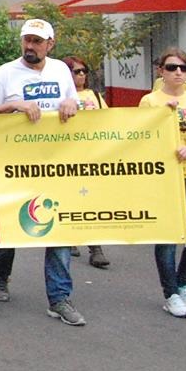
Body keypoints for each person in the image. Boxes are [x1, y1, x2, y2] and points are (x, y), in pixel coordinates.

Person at [0, 18, 84, 326]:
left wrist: (69, 105)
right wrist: (13, 106)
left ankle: (59, 298)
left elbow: (74, 106)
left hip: (54, 164)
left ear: (50, 44)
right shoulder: (6, 73)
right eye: (27, 40)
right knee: (10, 225)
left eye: (37, 41)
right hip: (13, 165)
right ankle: (0, 272)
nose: (30, 46)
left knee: (59, 228)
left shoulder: (61, 71)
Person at [139, 48, 186, 318]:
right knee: (169, 236)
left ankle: (184, 283)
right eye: (172, 68)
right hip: (163, 176)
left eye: (183, 68)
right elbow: (139, 140)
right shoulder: (150, 101)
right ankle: (170, 293)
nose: (178, 72)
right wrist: (162, 114)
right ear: (161, 71)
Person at [60, 56, 111, 269]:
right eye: (76, 71)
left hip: (91, 156)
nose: (81, 75)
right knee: (70, 199)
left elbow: (109, 121)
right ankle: (70, 238)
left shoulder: (95, 96)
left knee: (91, 202)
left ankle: (95, 248)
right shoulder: (62, 97)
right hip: (67, 156)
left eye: (83, 71)